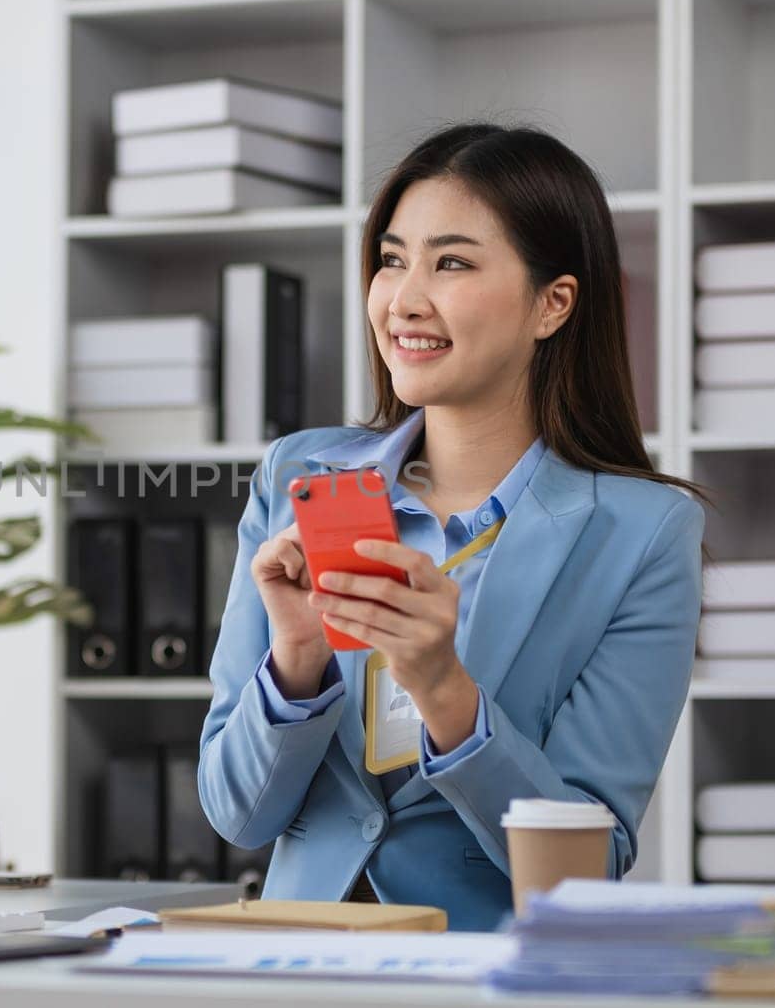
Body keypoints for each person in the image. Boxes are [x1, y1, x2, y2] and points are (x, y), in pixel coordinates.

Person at [197, 122, 706, 932]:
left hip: (486, 970)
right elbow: (236, 813)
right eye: (393, 259)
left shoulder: (642, 532)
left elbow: (589, 864)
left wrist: (446, 691)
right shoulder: (300, 477)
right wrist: (295, 666)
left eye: (453, 262)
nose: (403, 299)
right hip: (299, 963)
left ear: (553, 304)